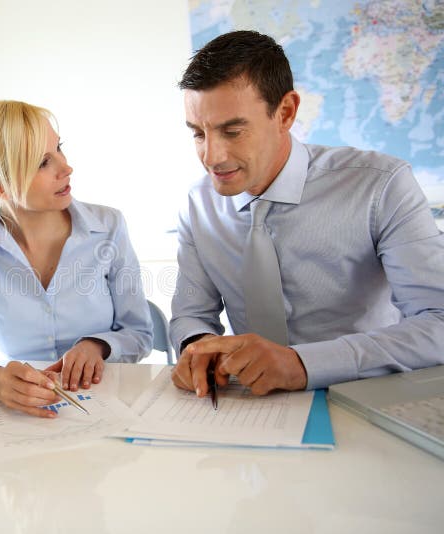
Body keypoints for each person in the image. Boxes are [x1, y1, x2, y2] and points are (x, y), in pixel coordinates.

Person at [170, 30, 444, 398]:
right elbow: (191, 313)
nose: (212, 157)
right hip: (252, 412)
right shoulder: (197, 204)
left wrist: (302, 364)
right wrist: (198, 346)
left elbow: (437, 321)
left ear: (285, 113)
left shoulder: (380, 185)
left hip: (366, 397)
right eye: (198, 134)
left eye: (232, 131)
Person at [0, 100, 152, 418]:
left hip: (107, 407)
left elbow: (140, 334)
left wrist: (99, 345)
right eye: (43, 162)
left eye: (59, 148)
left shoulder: (108, 226)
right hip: (19, 417)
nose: (66, 168)